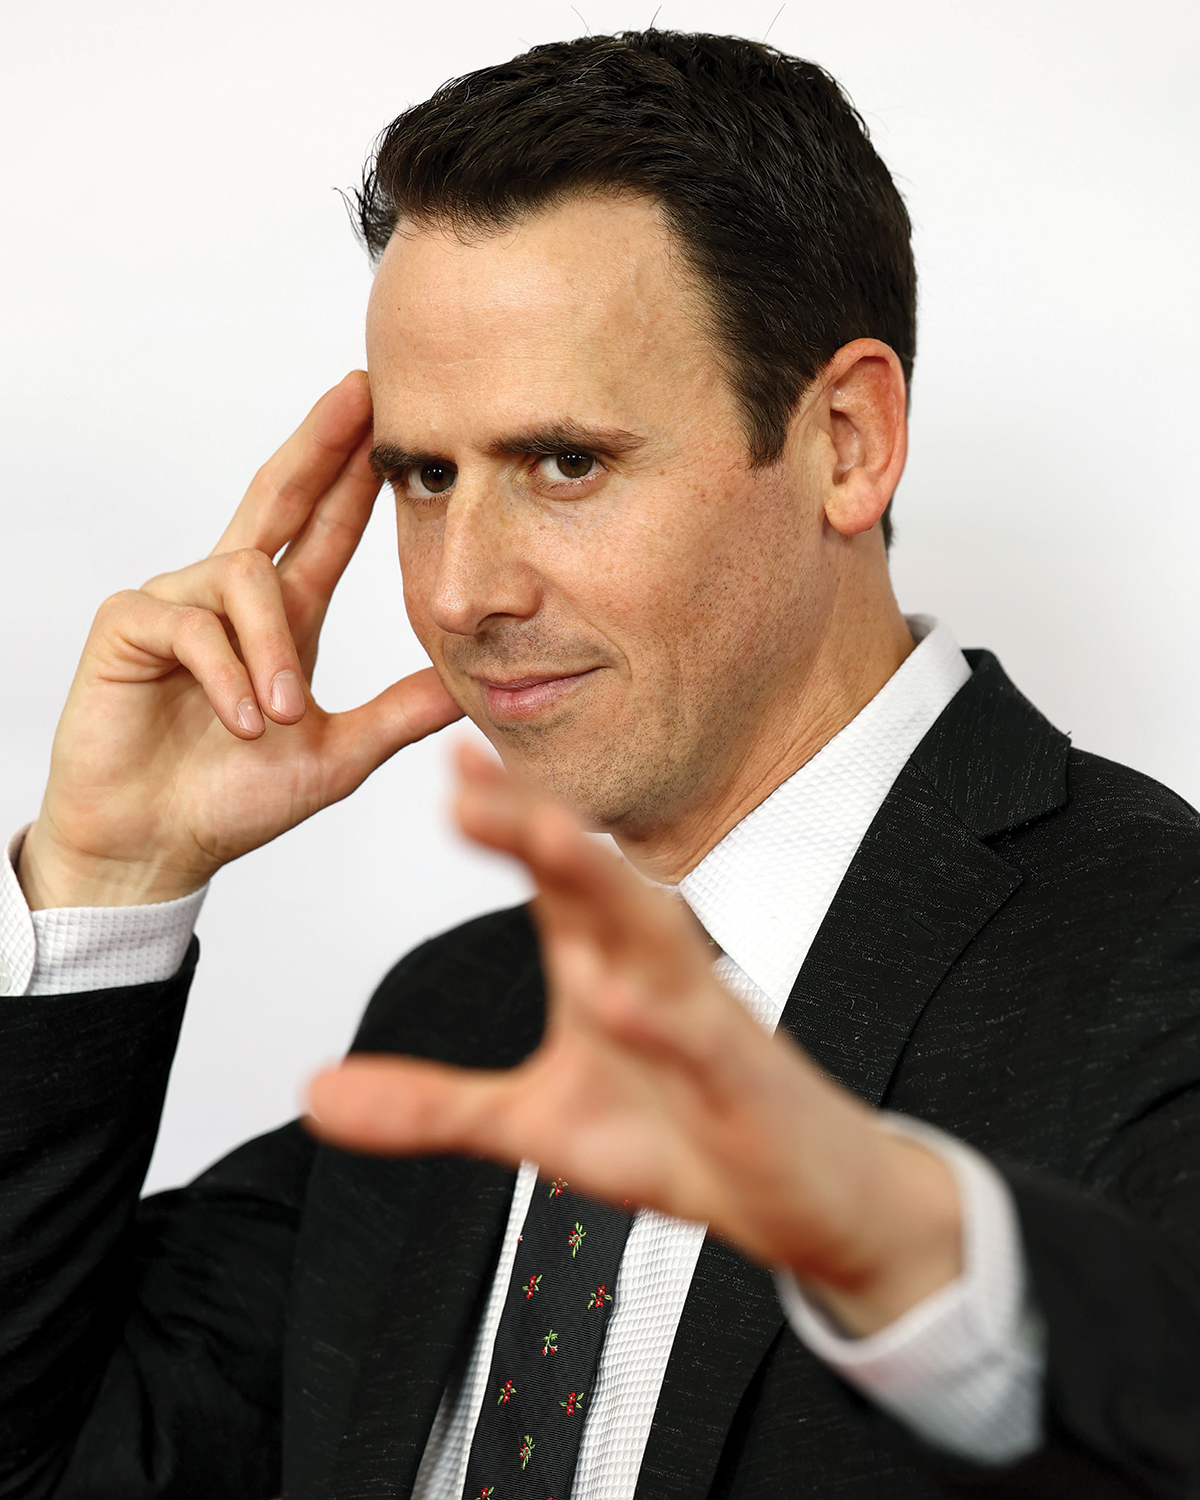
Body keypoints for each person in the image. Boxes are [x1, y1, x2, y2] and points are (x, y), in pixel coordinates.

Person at [2, 27, 1198, 1500]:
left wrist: (913, 1252)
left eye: (565, 463)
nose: (460, 593)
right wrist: (107, 881)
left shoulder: (1162, 951)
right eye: (425, 476)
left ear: (845, 441)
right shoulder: (462, 1022)